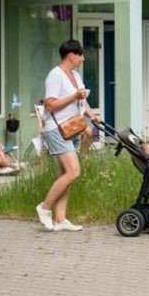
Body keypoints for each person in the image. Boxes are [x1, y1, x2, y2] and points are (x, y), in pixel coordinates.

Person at [37, 40, 94, 232]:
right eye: (80, 55)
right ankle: (44, 208)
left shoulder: (76, 75)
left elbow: (82, 99)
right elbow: (50, 104)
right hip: (57, 128)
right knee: (73, 172)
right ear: (71, 56)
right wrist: (74, 97)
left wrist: (92, 114)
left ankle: (60, 220)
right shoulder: (55, 75)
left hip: (73, 126)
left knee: (65, 175)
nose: (83, 58)